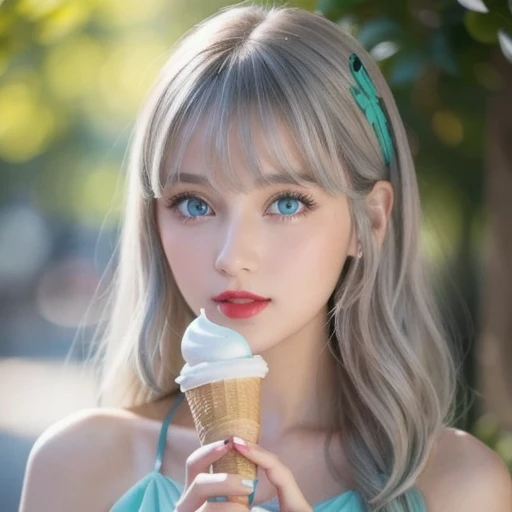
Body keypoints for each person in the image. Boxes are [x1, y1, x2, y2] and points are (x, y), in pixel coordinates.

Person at [19, 3, 512, 512]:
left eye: (286, 203)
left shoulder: (459, 485)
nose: (233, 257)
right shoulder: (77, 466)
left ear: (371, 223)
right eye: (194, 204)